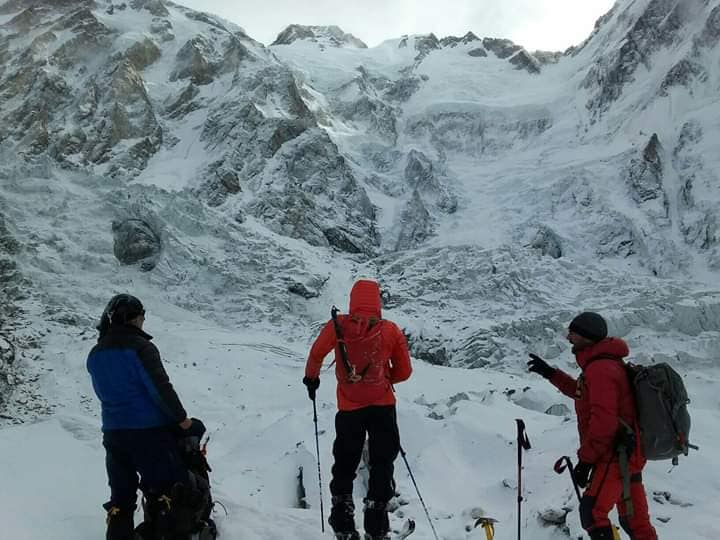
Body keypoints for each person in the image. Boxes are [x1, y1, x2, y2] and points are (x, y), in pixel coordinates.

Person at [527, 312, 658, 540]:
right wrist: (550, 373)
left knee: (593, 513)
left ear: (587, 336)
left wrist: (586, 461)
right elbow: (582, 394)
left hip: (614, 456)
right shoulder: (604, 365)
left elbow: (604, 422)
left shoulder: (601, 370)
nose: (568, 337)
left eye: (573, 333)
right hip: (629, 454)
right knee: (635, 521)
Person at [87, 294, 207, 540]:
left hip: (113, 433)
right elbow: (161, 389)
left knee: (121, 498)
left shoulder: (96, 353)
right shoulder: (141, 347)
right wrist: (183, 421)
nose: (143, 321)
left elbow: (102, 393)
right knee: (168, 490)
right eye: (142, 316)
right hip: (147, 433)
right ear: (134, 318)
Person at [303, 279, 413, 540]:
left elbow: (316, 354)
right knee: (382, 462)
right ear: (378, 303)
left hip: (349, 406)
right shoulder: (390, 330)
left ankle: (342, 518)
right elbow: (405, 371)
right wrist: (386, 380)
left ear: (352, 301)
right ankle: (376, 523)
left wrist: (312, 379)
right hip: (383, 405)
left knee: (345, 460)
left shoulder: (337, 326)